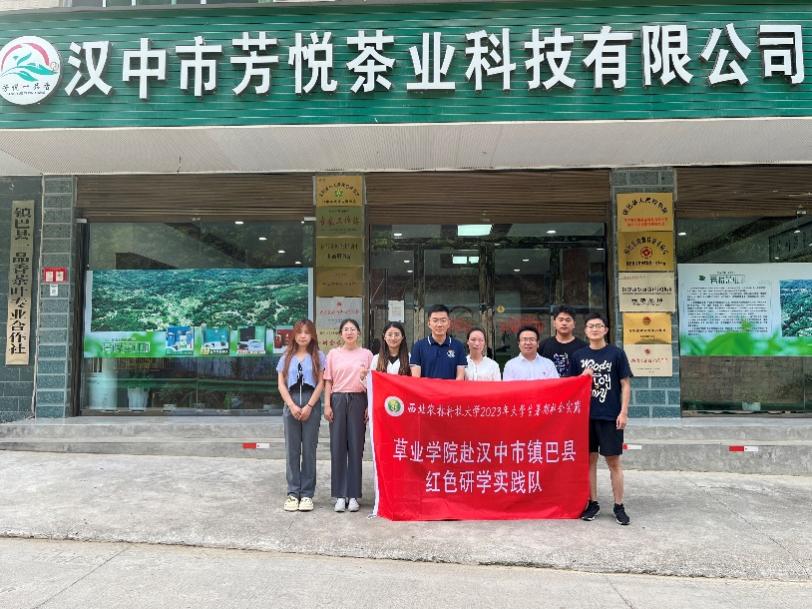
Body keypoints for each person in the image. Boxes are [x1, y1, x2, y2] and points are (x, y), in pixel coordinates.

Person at [570, 313, 633, 526]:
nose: (595, 329)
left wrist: (623, 412)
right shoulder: (578, 356)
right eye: (591, 326)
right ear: (585, 331)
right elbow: (571, 385)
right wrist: (583, 376)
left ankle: (619, 506)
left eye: (598, 326)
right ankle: (593, 503)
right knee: (589, 460)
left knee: (613, 461)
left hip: (610, 416)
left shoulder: (616, 353)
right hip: (585, 417)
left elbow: (625, 384)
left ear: (605, 330)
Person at [323, 318, 374, 513]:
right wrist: (327, 404)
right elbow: (328, 381)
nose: (349, 332)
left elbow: (372, 382)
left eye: (353, 329)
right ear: (341, 334)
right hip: (337, 399)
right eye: (346, 329)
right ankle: (339, 495)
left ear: (358, 333)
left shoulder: (367, 354)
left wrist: (369, 405)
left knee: (356, 447)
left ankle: (353, 495)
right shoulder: (333, 354)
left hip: (359, 400)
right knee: (337, 448)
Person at [276, 319, 326, 513]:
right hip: (291, 403)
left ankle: (306, 494)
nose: (303, 336)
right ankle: (292, 493)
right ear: (294, 335)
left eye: (307, 332)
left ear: (312, 335)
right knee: (292, 450)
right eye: (299, 332)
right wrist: (291, 405)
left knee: (309, 451)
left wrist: (309, 406)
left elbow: (321, 383)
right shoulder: (286, 356)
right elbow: (281, 383)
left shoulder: (318, 356)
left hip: (311, 402)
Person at [410, 304, 467, 380]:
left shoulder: (458, 346)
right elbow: (416, 378)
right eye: (435, 320)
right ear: (429, 323)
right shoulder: (418, 346)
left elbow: (460, 377)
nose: (439, 324)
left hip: (450, 388)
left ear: (449, 323)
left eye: (443, 320)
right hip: (426, 388)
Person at [539, 305, 588, 377]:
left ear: (574, 324)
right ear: (554, 323)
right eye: (561, 320)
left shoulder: (584, 347)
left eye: (568, 320)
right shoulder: (543, 346)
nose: (564, 323)